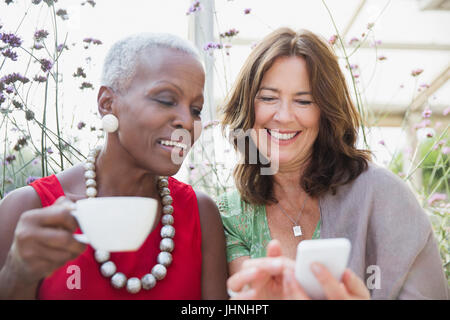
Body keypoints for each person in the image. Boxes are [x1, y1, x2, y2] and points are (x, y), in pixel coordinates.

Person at [218, 27, 448, 299]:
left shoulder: (384, 196)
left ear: (326, 111)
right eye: (268, 98)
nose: (284, 115)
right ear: (246, 106)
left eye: (304, 101)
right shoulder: (232, 215)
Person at [0, 33, 228, 299]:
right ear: (107, 104)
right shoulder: (29, 208)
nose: (187, 122)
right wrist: (18, 273)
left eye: (196, 110)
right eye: (167, 100)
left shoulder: (199, 214)